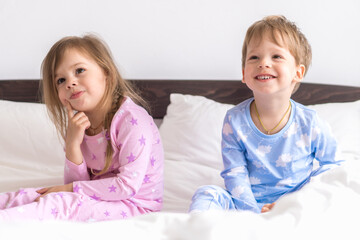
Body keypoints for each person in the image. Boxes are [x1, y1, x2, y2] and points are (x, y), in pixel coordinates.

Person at [0, 34, 164, 221]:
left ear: (106, 73)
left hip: (135, 207)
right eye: (60, 80)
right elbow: (76, 186)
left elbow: (126, 186)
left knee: (58, 203)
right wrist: (72, 145)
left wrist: (69, 189)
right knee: (29, 195)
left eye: (79, 70)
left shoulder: (132, 120)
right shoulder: (79, 125)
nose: (70, 82)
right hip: (98, 200)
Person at [189, 15, 343, 214]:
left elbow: (334, 166)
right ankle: (197, 230)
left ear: (298, 72)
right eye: (254, 57)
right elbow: (234, 172)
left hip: (294, 205)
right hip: (246, 205)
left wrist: (302, 198)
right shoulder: (234, 120)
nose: (263, 63)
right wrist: (253, 212)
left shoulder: (310, 122)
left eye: (276, 56)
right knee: (206, 193)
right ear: (244, 73)